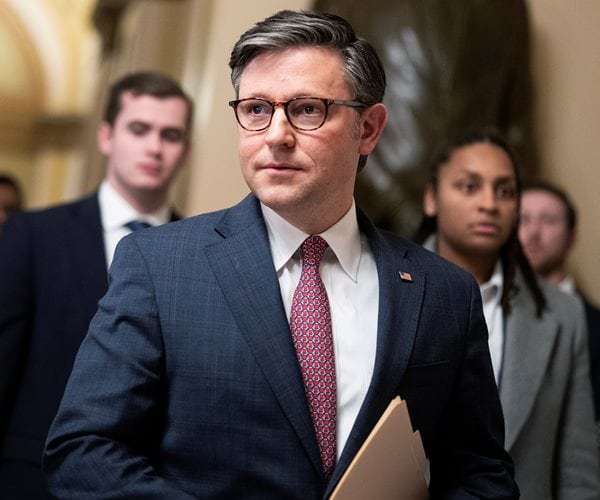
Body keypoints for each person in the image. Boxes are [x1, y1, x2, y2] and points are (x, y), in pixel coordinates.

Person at [43, 11, 517, 499]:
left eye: (308, 109)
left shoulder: (444, 292)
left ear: (369, 128)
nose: (276, 134)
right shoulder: (160, 266)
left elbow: (480, 473)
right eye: (255, 109)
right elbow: (84, 450)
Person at [0, 70, 193, 499]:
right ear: (106, 136)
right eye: (139, 129)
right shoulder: (32, 237)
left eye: (171, 134)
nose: (154, 147)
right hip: (34, 482)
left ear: (186, 150)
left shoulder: (202, 254)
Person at [416, 129, 600, 499]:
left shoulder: (562, 314)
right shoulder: (387, 289)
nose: (489, 204)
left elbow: (577, 461)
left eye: (505, 191)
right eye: (469, 187)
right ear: (432, 199)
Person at [519, 181, 600, 421]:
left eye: (548, 221)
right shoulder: (483, 308)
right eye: (522, 220)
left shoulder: (594, 327)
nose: (533, 233)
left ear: (571, 238)